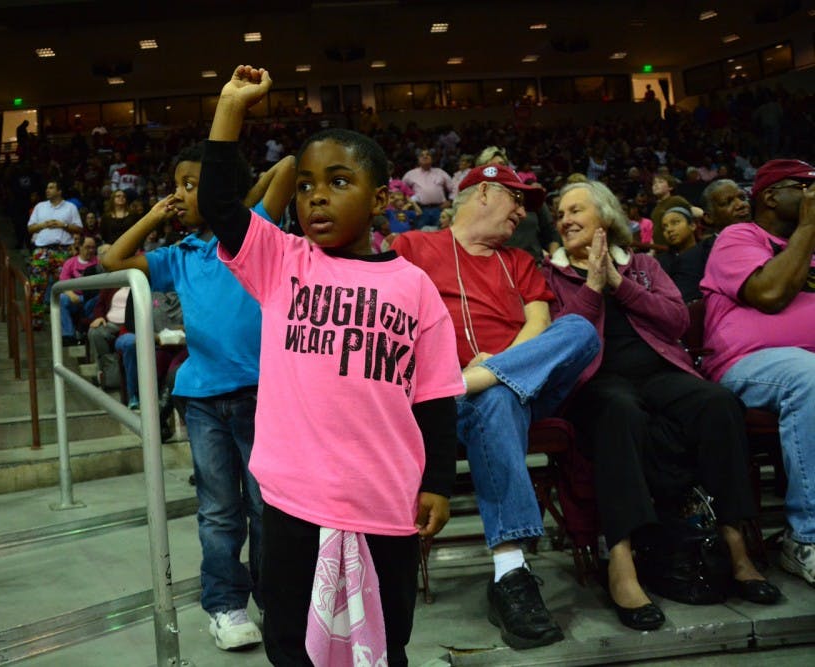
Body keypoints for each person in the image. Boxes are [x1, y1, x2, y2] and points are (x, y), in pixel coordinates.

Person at [200, 65, 464, 667]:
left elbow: (436, 397)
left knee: (384, 641)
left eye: (338, 182)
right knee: (291, 644)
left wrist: (439, 484)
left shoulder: (414, 287)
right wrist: (231, 108)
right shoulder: (281, 262)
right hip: (294, 503)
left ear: (379, 198)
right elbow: (218, 201)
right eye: (306, 186)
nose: (316, 196)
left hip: (386, 503)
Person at [544, 181, 779, 631]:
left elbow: (675, 321)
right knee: (619, 410)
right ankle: (622, 561)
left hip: (660, 373)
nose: (565, 219)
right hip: (597, 382)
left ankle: (735, 545)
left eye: (577, 210)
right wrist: (594, 285)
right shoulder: (550, 275)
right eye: (560, 214)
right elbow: (564, 340)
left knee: (718, 403)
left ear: (606, 216)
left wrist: (620, 283)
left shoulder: (645, 266)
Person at [391, 163, 600, 650]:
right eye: (516, 198)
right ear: (482, 192)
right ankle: (511, 573)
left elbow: (541, 323)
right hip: (449, 405)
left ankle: (472, 383)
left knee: (580, 332)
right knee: (496, 402)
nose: (523, 211)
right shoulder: (415, 248)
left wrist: (491, 368)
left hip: (516, 385)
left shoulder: (520, 260)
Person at [102, 138, 294, 653]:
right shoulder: (177, 256)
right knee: (218, 509)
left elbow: (289, 166)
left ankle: (275, 600)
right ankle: (226, 606)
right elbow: (111, 257)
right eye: (176, 187)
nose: (180, 195)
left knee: (267, 506)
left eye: (191, 185)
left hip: (262, 395)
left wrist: (228, 197)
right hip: (202, 397)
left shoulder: (253, 232)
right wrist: (156, 213)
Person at [700, 159, 815, 585]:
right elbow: (768, 293)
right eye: (805, 186)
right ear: (770, 195)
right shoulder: (740, 236)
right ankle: (806, 538)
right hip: (749, 366)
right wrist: (808, 227)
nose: (812, 193)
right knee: (810, 375)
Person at [670, 179, 751, 301]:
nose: (740, 204)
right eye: (727, 202)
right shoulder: (692, 260)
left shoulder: (775, 239)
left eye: (742, 198)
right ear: (709, 218)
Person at [476, 146, 559, 261]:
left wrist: (556, 261)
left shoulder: (531, 196)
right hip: (495, 271)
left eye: (502, 165)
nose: (498, 170)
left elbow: (551, 234)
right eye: (492, 168)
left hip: (534, 268)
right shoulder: (476, 205)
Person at [27, 180, 82, 330]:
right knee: (37, 287)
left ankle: (65, 325)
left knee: (65, 288)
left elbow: (79, 228)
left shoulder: (70, 207)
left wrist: (62, 225)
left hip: (62, 250)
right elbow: (30, 228)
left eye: (51, 187)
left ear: (59, 191)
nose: (48, 190)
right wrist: (43, 225)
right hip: (41, 250)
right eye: (47, 187)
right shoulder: (40, 206)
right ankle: (36, 321)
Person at [58, 235, 99, 346]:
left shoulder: (99, 263)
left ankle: (83, 332)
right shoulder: (70, 263)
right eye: (87, 247)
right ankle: (68, 335)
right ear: (80, 247)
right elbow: (62, 283)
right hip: (76, 297)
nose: (91, 250)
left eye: (93, 247)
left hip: (93, 298)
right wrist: (69, 293)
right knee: (62, 298)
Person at [402, 148, 454, 229]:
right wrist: (409, 204)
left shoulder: (440, 172)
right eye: (422, 155)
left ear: (432, 159)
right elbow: (401, 191)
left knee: (439, 233)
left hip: (439, 209)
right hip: (420, 209)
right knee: (420, 236)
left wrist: (450, 201)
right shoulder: (410, 174)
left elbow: (453, 188)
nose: (425, 157)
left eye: (428, 155)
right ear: (418, 159)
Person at [655, 205, 697, 278]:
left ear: (692, 225)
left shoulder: (707, 253)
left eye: (675, 223)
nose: (669, 230)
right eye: (665, 227)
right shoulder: (659, 263)